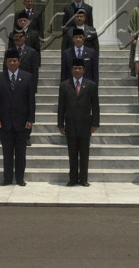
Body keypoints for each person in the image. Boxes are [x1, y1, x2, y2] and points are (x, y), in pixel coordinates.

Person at [0, 49, 36, 186]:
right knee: (7, 152)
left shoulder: (27, 77)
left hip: (22, 122)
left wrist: (30, 119)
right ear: (5, 62)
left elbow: (31, 101)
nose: (12, 63)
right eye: (9, 61)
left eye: (14, 61)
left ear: (19, 62)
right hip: (4, 122)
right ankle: (7, 178)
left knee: (21, 153)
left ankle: (20, 178)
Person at [58, 57, 99, 187]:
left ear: (84, 70)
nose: (77, 70)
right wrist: (60, 124)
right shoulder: (64, 85)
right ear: (71, 70)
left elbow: (95, 106)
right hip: (70, 124)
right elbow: (61, 106)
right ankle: (73, 178)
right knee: (72, 153)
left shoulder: (91, 85)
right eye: (75, 68)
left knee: (84, 153)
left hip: (85, 125)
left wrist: (95, 123)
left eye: (79, 68)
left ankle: (83, 179)